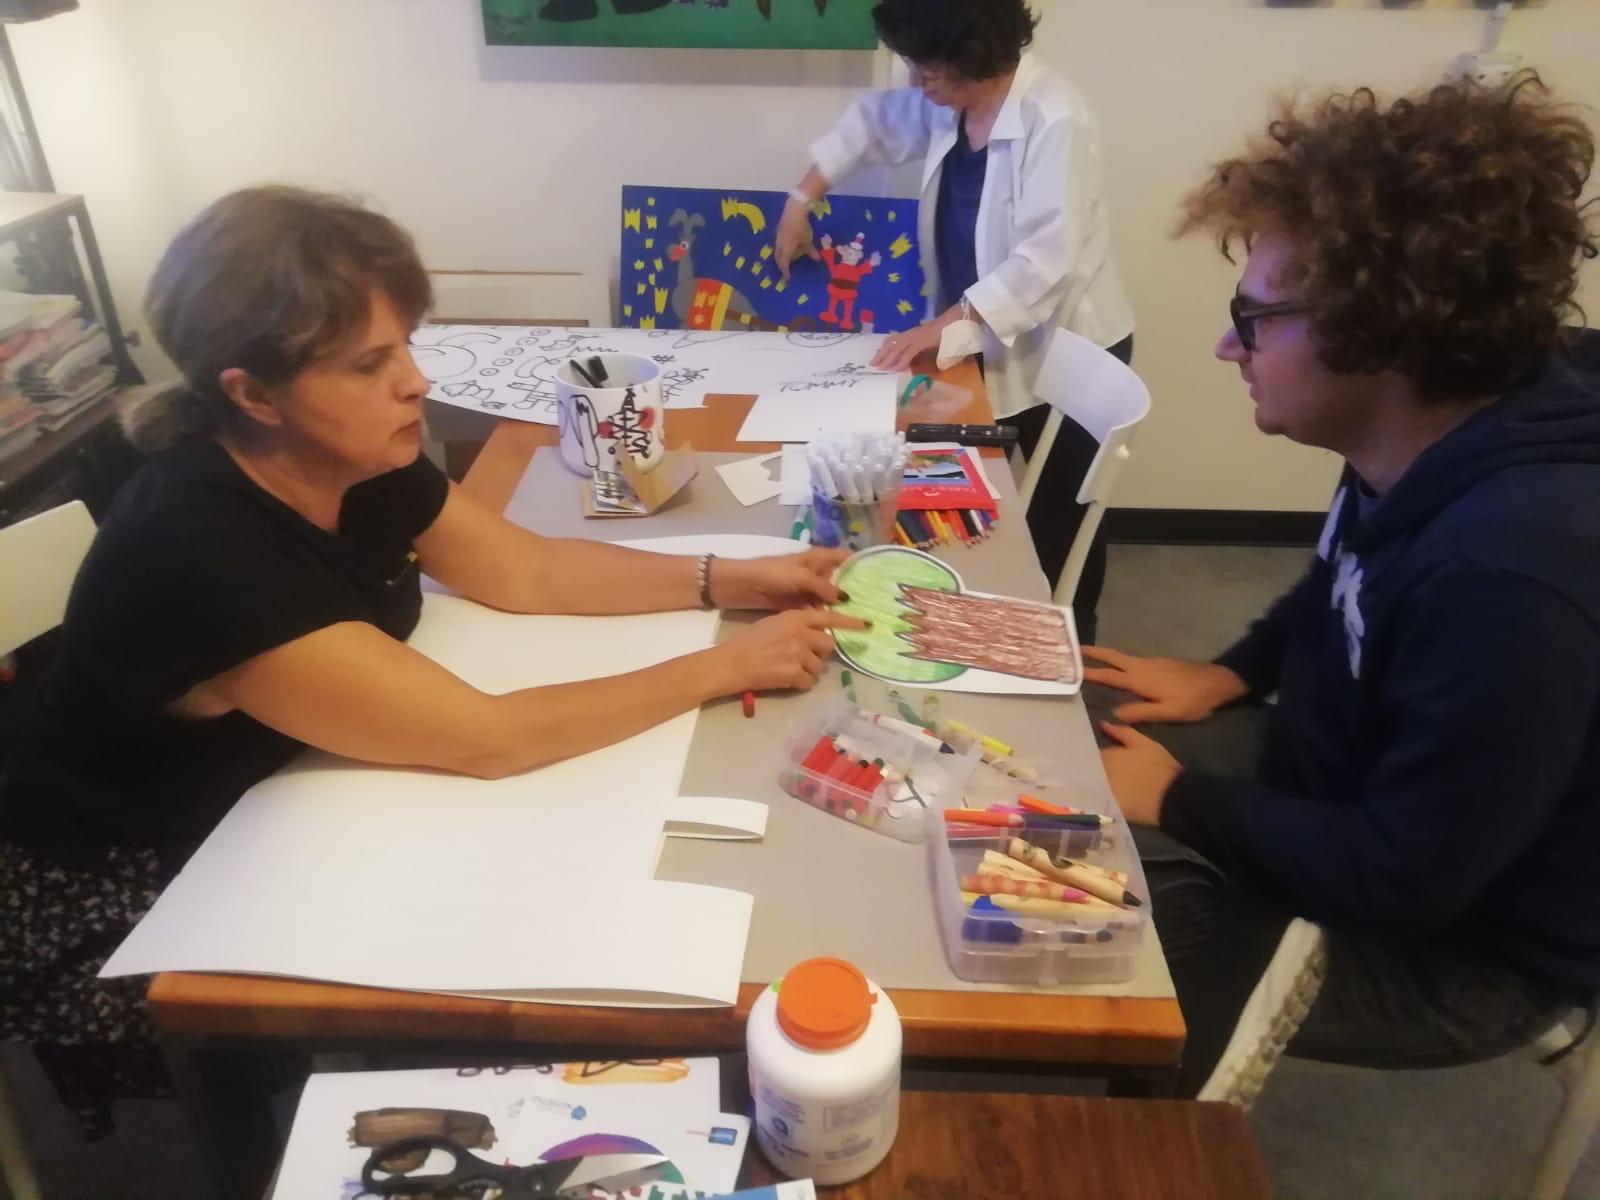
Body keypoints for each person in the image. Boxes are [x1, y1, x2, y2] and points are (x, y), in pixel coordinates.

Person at [0, 185, 863, 1134]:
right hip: (126, 879)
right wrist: (725, 667)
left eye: (406, 345)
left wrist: (732, 578)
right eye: (371, 363)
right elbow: (487, 738)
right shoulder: (203, 544)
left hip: (276, 793)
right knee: (499, 995)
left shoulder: (350, 453)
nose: (414, 381)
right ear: (252, 394)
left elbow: (526, 571)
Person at [1086, 74, 1600, 1101]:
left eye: (1253, 317)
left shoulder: (1509, 577)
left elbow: (1404, 878)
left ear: (1380, 333)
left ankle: (1144, 1142)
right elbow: (1339, 578)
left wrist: (1182, 800)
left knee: (1129, 946)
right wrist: (1234, 672)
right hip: (1345, 789)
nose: (1226, 346)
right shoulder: (1415, 431)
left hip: (1458, 944)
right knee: (1071, 738)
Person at [773, 0, 1134, 637]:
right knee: (979, 491)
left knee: (1059, 515)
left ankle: (1072, 644)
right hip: (982, 336)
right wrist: (800, 199)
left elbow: (1045, 262)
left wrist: (942, 324)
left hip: (1065, 342)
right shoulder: (953, 100)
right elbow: (873, 124)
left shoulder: (1056, 117)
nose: (916, 81)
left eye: (927, 66)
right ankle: (982, 615)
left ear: (975, 55)